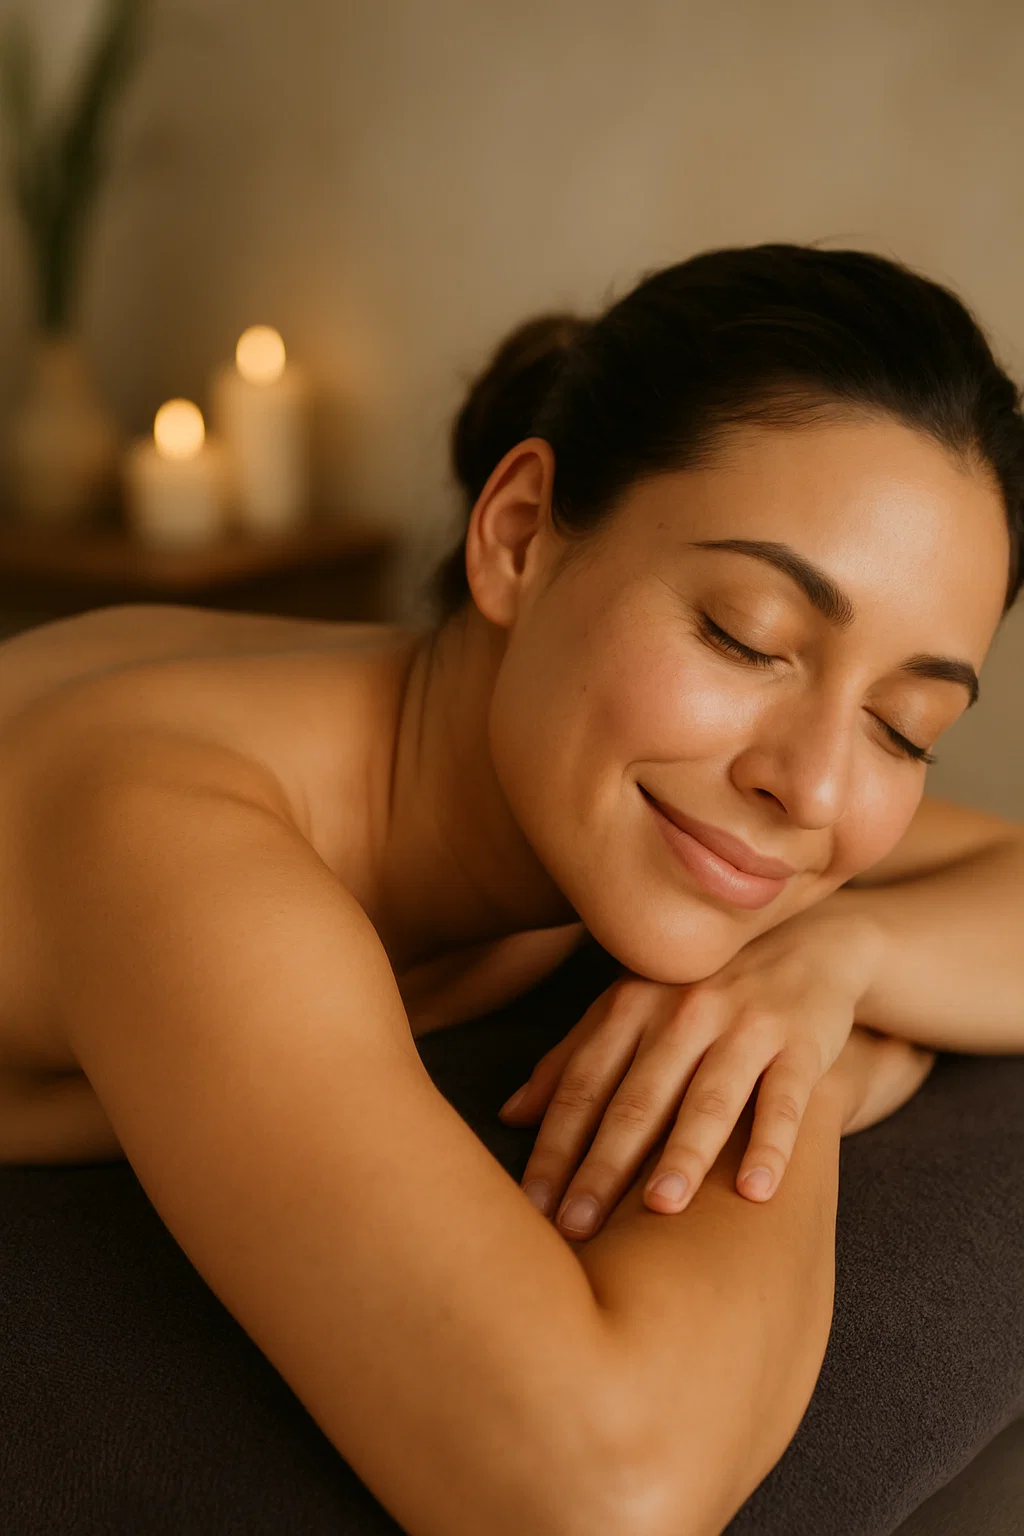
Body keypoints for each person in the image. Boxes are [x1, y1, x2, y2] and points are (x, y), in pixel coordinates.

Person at [0, 242, 1021, 1536]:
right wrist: (799, 1078)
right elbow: (597, 1498)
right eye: (746, 637)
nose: (815, 791)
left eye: (906, 725)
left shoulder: (570, 780)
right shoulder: (175, 837)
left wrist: (829, 971)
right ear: (520, 536)